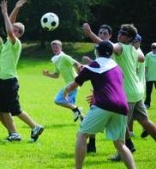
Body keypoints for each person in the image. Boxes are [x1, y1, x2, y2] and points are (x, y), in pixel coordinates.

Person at [83, 23, 156, 161]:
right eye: (120, 32)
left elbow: (107, 46)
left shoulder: (120, 47)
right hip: (137, 91)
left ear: (129, 38)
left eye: (123, 34)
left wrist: (90, 33)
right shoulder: (134, 50)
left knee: (120, 125)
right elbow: (141, 58)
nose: (119, 34)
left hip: (126, 93)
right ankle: (128, 148)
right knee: (144, 120)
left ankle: (123, 153)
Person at [64, 41, 136, 169]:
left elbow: (73, 85)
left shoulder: (93, 65)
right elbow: (112, 86)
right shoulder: (117, 67)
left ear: (98, 51)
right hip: (122, 106)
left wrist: (65, 92)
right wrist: (98, 93)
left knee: (82, 135)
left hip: (105, 105)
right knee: (120, 144)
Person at [0, 0, 44, 142]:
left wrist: (5, 13)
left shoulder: (15, 43)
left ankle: (35, 126)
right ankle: (14, 134)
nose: (12, 30)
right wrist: (16, 8)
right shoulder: (9, 41)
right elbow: (10, 25)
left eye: (15, 30)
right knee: (4, 109)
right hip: (3, 80)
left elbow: (10, 29)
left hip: (10, 81)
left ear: (19, 34)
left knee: (15, 110)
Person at [83, 24, 113, 153]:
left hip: (111, 88)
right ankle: (92, 144)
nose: (102, 35)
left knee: (116, 118)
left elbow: (106, 68)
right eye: (100, 33)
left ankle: (127, 143)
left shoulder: (112, 48)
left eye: (105, 33)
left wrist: (90, 33)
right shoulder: (98, 49)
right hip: (99, 86)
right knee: (92, 110)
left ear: (110, 36)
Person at [43, 40, 83, 122]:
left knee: (58, 100)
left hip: (73, 83)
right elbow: (56, 75)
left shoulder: (64, 57)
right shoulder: (56, 60)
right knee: (70, 103)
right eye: (53, 48)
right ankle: (83, 117)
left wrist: (80, 74)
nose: (55, 49)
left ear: (60, 47)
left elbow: (77, 64)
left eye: (56, 47)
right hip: (69, 84)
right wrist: (48, 74)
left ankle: (77, 109)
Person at [144, 42, 156, 109]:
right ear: (151, 48)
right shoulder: (148, 55)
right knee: (148, 92)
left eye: (155, 48)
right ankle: (147, 104)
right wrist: (145, 75)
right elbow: (146, 66)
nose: (154, 49)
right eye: (153, 47)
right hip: (149, 77)